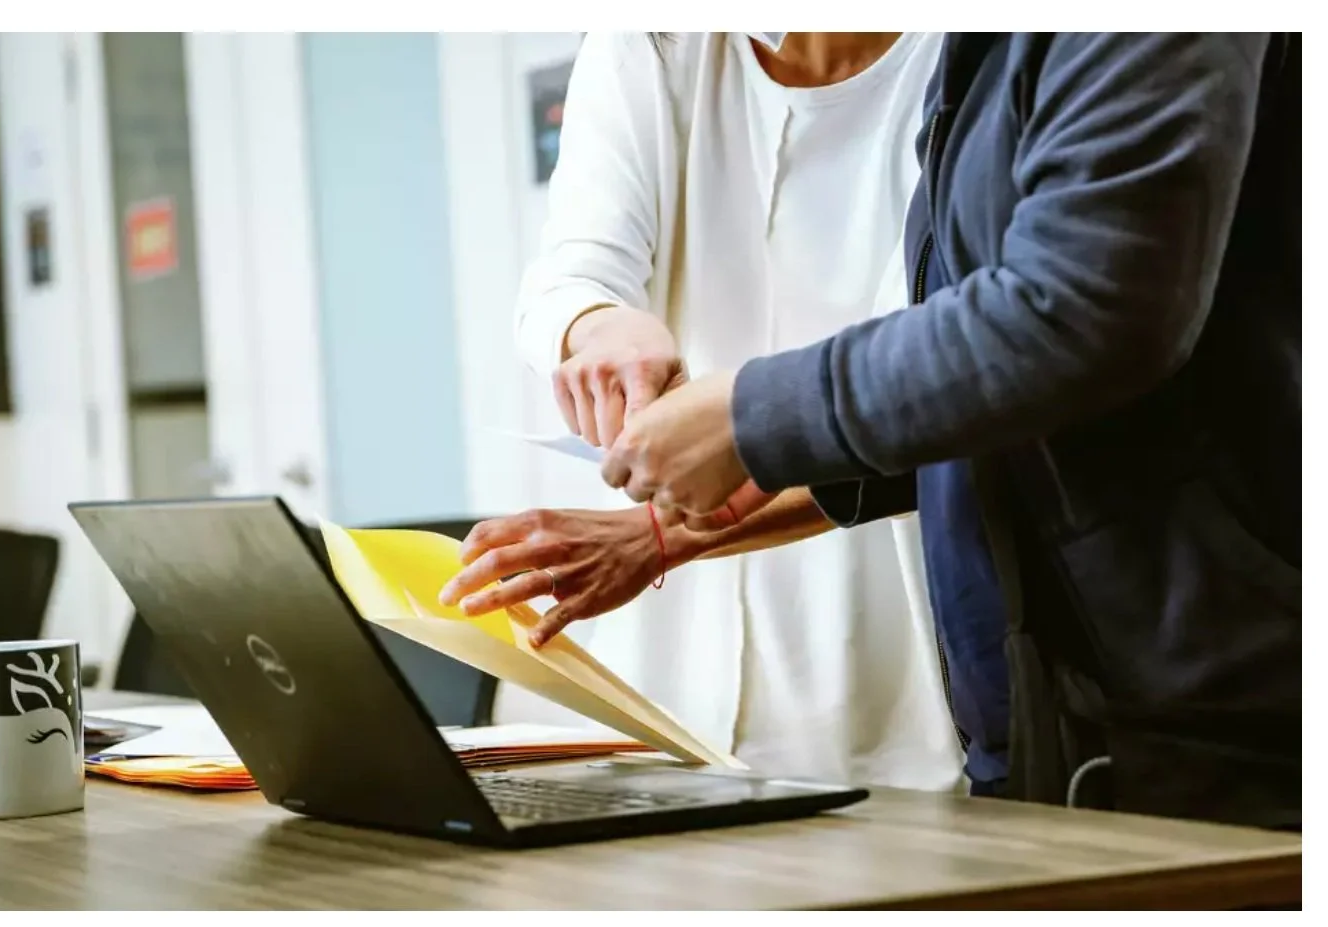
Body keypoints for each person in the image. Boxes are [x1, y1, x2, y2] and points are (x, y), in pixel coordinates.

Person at [589, 33, 1301, 827]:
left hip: (1215, 729)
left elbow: (1084, 308)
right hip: (1050, 728)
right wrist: (753, 482)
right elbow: (1004, 387)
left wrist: (749, 415)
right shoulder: (978, 50)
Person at [440, 32, 969, 790]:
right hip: (667, 649)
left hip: (892, 627)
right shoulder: (652, 43)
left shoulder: (970, 54)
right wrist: (600, 324)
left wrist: (659, 534)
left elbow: (928, 392)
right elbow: (573, 266)